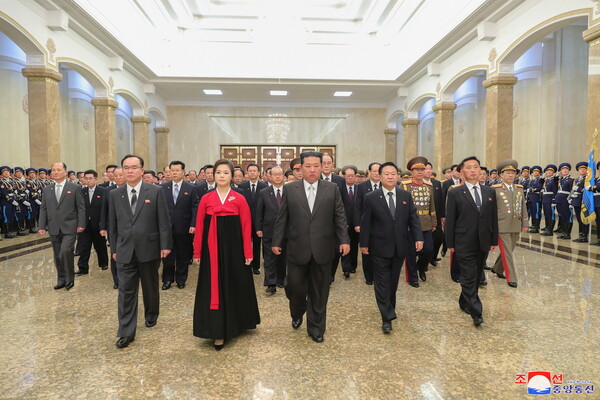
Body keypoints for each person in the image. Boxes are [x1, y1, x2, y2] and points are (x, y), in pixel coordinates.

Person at [272, 151, 350, 344]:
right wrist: (276, 241)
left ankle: (316, 327)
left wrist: (344, 240)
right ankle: (298, 311)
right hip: (297, 248)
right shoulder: (290, 189)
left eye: (317, 165)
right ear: (300, 168)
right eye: (308, 166)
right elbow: (282, 218)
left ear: (322, 166)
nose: (313, 170)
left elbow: (340, 216)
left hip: (323, 248)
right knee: (295, 287)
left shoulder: (331, 189)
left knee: (320, 291)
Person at [192, 159, 259, 351]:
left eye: (226, 173)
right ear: (213, 175)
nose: (222, 176)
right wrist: (197, 251)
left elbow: (247, 227)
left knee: (234, 282)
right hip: (211, 248)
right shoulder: (206, 198)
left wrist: (248, 251)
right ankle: (216, 330)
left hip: (235, 248)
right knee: (214, 286)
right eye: (218, 172)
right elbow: (200, 226)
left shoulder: (239, 198)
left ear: (232, 176)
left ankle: (237, 322)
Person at [109, 154, 172, 348]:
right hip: (125, 249)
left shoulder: (155, 191)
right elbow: (113, 224)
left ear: (142, 171)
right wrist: (114, 247)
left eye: (134, 167)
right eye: (126, 167)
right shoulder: (115, 194)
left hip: (149, 247)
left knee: (150, 286)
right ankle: (126, 332)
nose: (129, 171)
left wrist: (165, 245)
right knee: (126, 291)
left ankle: (151, 314)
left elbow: (163, 220)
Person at [359, 162, 423, 333]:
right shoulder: (371, 197)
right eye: (386, 174)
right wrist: (363, 244)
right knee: (381, 281)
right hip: (378, 246)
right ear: (379, 177)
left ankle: (389, 307)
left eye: (393, 173)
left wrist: (418, 237)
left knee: (393, 281)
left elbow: (413, 218)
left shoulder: (405, 196)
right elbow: (365, 223)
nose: (389, 176)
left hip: (400, 246)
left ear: (398, 176)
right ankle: (386, 317)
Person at [445, 156, 498, 327]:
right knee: (468, 276)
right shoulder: (454, 192)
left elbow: (493, 218)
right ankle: (476, 311)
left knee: (475, 275)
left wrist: (493, 239)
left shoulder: (489, 192)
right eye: (469, 167)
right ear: (462, 172)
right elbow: (451, 220)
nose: (473, 170)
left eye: (476, 167)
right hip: (463, 241)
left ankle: (464, 301)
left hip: (483, 241)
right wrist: (450, 244)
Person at [38, 162, 86, 291]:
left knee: (65, 251)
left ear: (65, 172)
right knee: (57, 255)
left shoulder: (74, 187)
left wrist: (81, 224)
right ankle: (61, 279)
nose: (55, 172)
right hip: (54, 227)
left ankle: (70, 279)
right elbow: (43, 208)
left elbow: (81, 207)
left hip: (70, 226)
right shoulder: (47, 189)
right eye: (53, 170)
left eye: (59, 170)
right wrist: (41, 225)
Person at [161, 161, 199, 290]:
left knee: (183, 256)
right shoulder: (163, 188)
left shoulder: (191, 188)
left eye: (177, 170)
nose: (174, 172)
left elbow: (195, 208)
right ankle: (167, 279)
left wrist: (193, 224)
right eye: (172, 170)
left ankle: (181, 279)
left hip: (184, 227)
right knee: (167, 256)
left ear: (183, 172)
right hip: (167, 229)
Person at [490, 160, 528, 288]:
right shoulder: (495, 190)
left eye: (512, 173)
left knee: (510, 249)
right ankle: (511, 277)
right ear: (501, 175)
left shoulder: (519, 189)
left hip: (516, 224)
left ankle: (497, 268)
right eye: (507, 173)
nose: (510, 175)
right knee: (507, 252)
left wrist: (525, 222)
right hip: (502, 225)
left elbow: (523, 206)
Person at [401, 157, 436, 287]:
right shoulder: (405, 186)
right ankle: (412, 278)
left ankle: (421, 267)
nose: (420, 172)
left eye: (422, 169)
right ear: (411, 171)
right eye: (417, 169)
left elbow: (432, 205)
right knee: (410, 252)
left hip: (425, 223)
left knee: (428, 250)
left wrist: (434, 222)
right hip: (409, 225)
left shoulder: (429, 186)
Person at [255, 166, 286, 293]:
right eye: (275, 174)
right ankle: (270, 283)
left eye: (280, 174)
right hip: (269, 230)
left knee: (283, 257)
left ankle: (281, 279)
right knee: (269, 257)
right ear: (270, 177)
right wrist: (258, 228)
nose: (278, 177)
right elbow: (259, 212)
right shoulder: (264, 192)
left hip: (286, 231)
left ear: (284, 176)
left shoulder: (290, 191)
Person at [353, 162, 382, 285]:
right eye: (374, 171)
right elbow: (357, 207)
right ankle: (369, 276)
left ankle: (379, 274)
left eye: (378, 171)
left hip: (381, 224)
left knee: (380, 250)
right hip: (366, 224)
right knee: (367, 250)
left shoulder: (387, 185)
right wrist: (357, 223)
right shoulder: (361, 187)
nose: (376, 173)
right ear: (369, 172)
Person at [76, 169, 109, 275]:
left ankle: (103, 263)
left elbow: (105, 208)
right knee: (84, 246)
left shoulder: (103, 191)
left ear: (96, 179)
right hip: (85, 224)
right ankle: (82, 268)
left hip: (98, 223)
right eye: (86, 178)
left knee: (100, 245)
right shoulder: (81, 191)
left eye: (91, 178)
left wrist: (104, 224)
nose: (88, 180)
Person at [238, 163, 268, 275]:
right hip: (244, 219)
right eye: (250, 171)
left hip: (258, 220)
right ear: (247, 173)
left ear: (259, 173)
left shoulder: (264, 186)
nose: (252, 173)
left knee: (256, 243)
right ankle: (245, 264)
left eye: (254, 171)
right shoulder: (241, 186)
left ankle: (255, 266)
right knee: (243, 242)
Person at [340, 165, 359, 278]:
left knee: (355, 245)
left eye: (352, 175)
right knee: (344, 244)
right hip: (344, 222)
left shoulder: (359, 189)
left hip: (356, 224)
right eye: (348, 176)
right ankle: (346, 268)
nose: (350, 178)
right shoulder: (339, 189)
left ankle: (353, 266)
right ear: (344, 176)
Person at [571, 161, 589, 243]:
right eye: (580, 169)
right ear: (578, 171)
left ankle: (584, 236)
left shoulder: (588, 178)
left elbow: (587, 190)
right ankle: (580, 234)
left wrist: (578, 189)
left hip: (583, 201)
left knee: (584, 219)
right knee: (579, 219)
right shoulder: (577, 179)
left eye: (584, 169)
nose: (582, 170)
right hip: (576, 201)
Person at [555, 163, 574, 239]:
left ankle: (567, 233)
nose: (565, 170)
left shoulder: (571, 179)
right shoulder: (560, 179)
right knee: (561, 216)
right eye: (563, 169)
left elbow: (572, 191)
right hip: (559, 200)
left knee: (567, 216)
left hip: (566, 200)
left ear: (569, 170)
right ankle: (563, 232)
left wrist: (571, 200)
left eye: (566, 169)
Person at [540, 164, 558, 236]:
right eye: (547, 171)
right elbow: (540, 183)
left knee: (551, 215)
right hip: (545, 199)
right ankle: (547, 227)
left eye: (551, 171)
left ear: (554, 172)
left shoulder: (554, 180)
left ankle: (550, 230)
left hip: (550, 198)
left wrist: (554, 199)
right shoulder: (546, 180)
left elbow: (555, 190)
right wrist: (542, 178)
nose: (549, 172)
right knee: (546, 214)